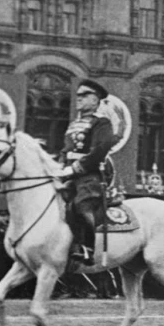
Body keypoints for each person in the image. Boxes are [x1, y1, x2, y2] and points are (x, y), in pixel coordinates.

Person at [56, 79, 119, 265]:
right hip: (68, 174)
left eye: (85, 96)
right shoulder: (73, 124)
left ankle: (87, 248)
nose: (79, 98)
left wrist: (76, 168)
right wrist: (59, 167)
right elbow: (66, 150)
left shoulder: (102, 123)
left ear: (95, 100)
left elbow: (100, 149)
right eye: (78, 95)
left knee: (81, 205)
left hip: (89, 175)